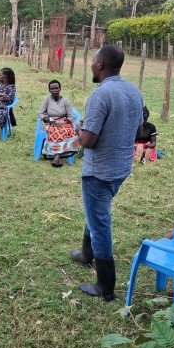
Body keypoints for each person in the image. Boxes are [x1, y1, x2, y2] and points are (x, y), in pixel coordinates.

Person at [70, 45, 143, 302]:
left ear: (100, 64)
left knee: (100, 223)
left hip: (99, 171)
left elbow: (88, 141)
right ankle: (86, 254)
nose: (91, 64)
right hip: (121, 168)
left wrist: (79, 131)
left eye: (93, 60)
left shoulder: (100, 95)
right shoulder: (134, 91)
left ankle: (105, 285)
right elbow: (138, 131)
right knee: (96, 212)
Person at [37, 79, 78, 168]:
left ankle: (56, 156)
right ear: (49, 90)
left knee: (63, 131)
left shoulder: (66, 100)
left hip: (64, 123)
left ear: (60, 89)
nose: (55, 90)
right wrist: (46, 118)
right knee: (55, 131)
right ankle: (56, 156)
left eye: (56, 88)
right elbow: (40, 112)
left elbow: (71, 116)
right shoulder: (47, 99)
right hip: (51, 122)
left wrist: (63, 122)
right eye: (52, 88)